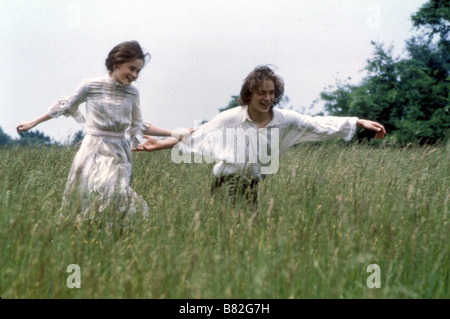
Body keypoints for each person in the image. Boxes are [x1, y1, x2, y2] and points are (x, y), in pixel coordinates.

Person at [133, 65, 386, 206]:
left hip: (252, 186)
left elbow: (318, 124)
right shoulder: (231, 117)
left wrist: (358, 121)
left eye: (271, 92)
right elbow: (197, 134)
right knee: (225, 235)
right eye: (261, 93)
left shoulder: (285, 119)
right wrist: (159, 145)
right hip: (225, 184)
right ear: (249, 95)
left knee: (248, 237)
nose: (267, 98)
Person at [17, 40, 180, 218]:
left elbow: (139, 125)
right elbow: (66, 105)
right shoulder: (91, 85)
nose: (134, 75)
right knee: (98, 193)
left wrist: (172, 133)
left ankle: (109, 236)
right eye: (131, 68)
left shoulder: (133, 93)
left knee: (116, 198)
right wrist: (34, 123)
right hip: (93, 149)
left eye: (138, 71)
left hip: (119, 151)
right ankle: (83, 231)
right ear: (116, 63)